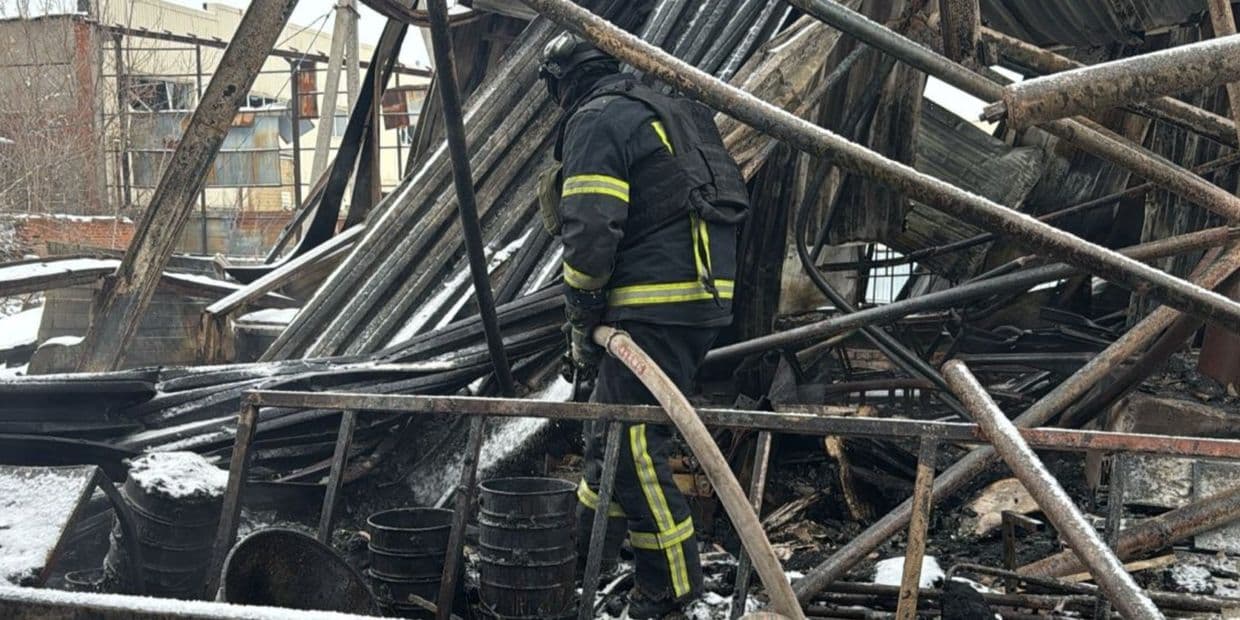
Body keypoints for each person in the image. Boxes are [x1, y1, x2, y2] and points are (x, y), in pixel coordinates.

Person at [537, 32, 749, 618]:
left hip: (654, 302)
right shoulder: (666, 112)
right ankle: (583, 557)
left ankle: (672, 586)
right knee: (608, 433)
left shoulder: (596, 120)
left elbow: (589, 231)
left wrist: (581, 318)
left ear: (563, 83)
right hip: (694, 297)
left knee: (630, 446)